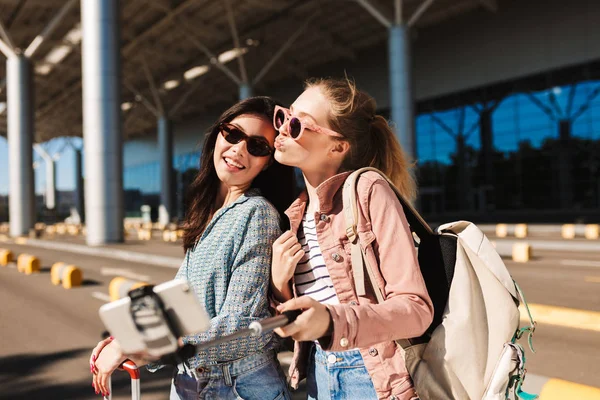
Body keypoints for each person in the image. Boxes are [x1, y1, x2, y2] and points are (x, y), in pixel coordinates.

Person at [89, 96, 297, 400]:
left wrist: (138, 345)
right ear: (218, 134)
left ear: (267, 163)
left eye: (257, 146)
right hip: (192, 382)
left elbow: (243, 325)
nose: (239, 149)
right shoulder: (208, 212)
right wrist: (126, 336)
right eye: (233, 133)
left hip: (239, 387)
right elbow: (179, 303)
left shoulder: (257, 213)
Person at [269, 77, 434, 400]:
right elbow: (293, 323)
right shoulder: (295, 216)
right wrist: (279, 285)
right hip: (318, 372)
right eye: (284, 116)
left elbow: (416, 309)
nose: (283, 129)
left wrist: (331, 321)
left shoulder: (369, 190)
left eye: (298, 124)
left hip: (372, 375)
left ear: (338, 147)